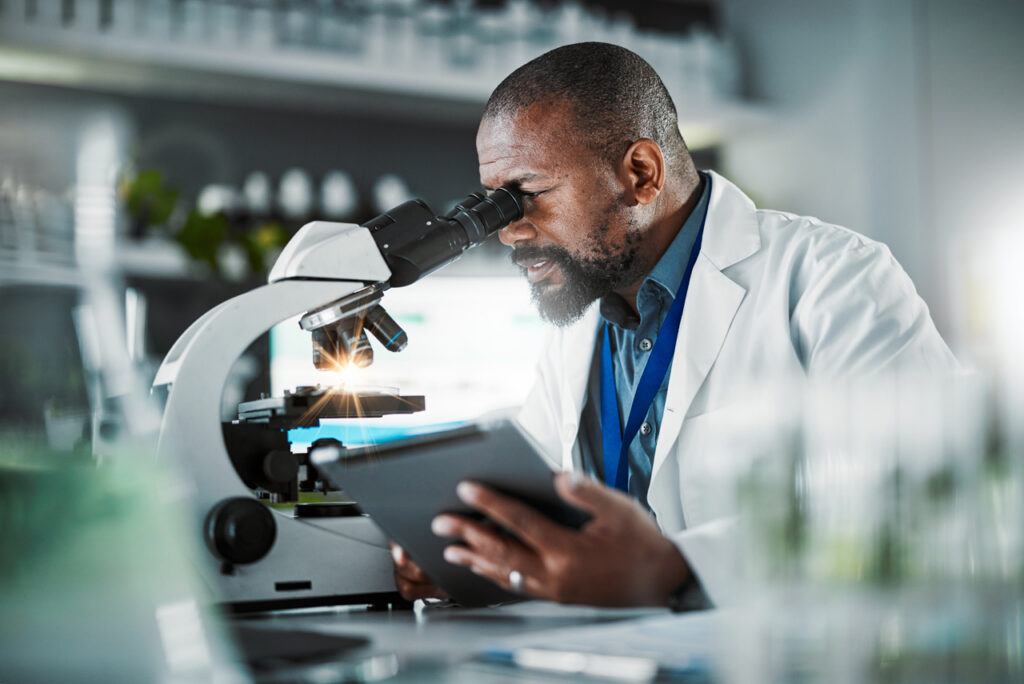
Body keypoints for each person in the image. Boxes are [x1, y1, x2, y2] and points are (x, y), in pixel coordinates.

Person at [392, 42, 958, 608]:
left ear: (641, 173)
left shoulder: (834, 278)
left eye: (530, 195)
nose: (510, 232)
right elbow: (542, 498)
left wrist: (676, 568)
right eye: (497, 205)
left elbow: (929, 498)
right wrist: (471, 554)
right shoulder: (581, 320)